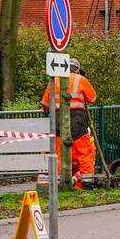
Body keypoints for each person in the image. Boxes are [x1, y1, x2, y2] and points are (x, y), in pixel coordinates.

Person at [40, 58, 98, 188]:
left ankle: (60, 182)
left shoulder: (53, 81)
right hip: (77, 119)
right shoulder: (80, 79)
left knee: (59, 153)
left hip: (58, 119)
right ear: (76, 69)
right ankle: (87, 183)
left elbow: (44, 104)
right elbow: (93, 98)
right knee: (84, 152)